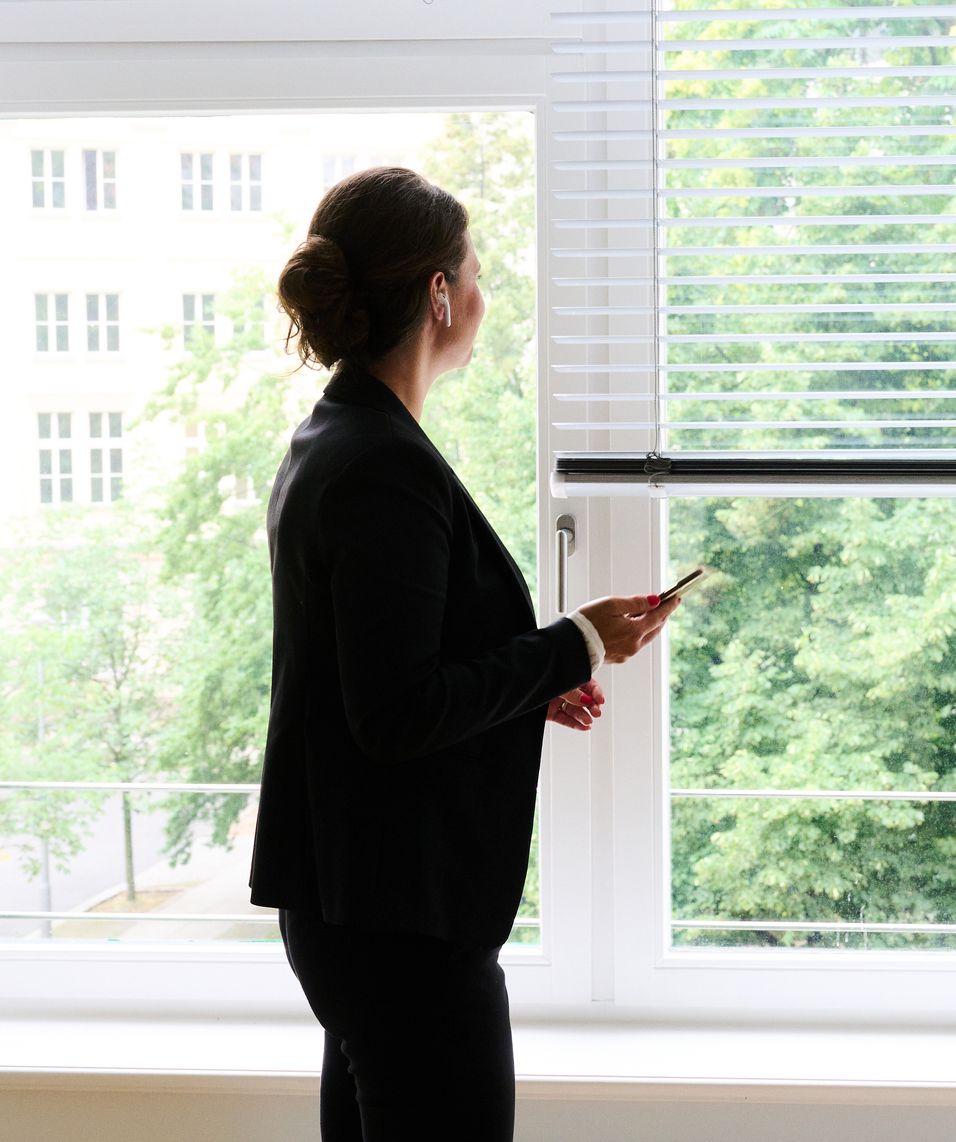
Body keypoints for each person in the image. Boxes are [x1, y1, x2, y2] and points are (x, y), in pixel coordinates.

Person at [249, 165, 677, 1141]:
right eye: (474, 265)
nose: (484, 286)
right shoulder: (381, 466)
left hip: (358, 906)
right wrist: (578, 641)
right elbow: (393, 712)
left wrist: (528, 683)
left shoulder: (338, 437)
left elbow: (367, 671)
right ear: (440, 293)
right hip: (397, 920)